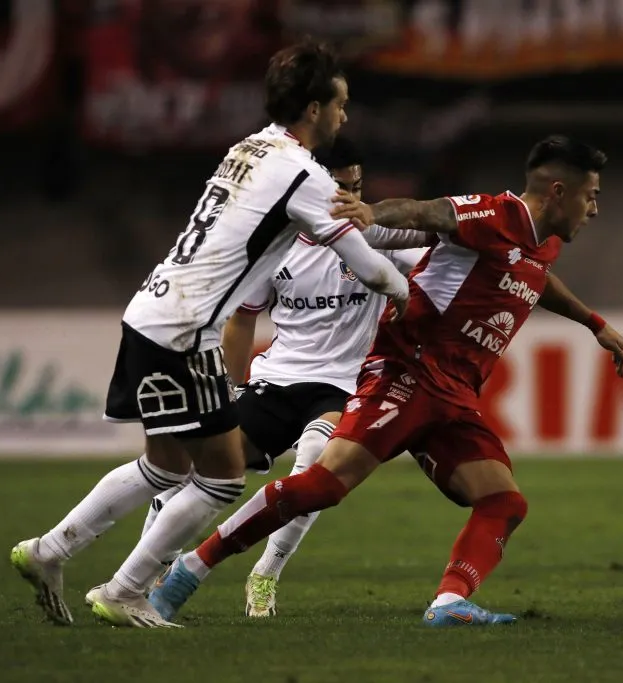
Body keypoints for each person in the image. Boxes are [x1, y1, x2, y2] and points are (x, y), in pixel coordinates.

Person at [148, 134, 623, 626]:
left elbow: (536, 277)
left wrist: (593, 323)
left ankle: (449, 603)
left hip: (454, 395)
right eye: (590, 196)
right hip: (409, 372)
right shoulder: (493, 215)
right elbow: (424, 212)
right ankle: (189, 570)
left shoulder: (543, 244)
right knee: (323, 485)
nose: (594, 209)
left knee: (503, 501)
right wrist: (371, 213)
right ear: (558, 192)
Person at [8, 40, 410, 629]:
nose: (344, 116)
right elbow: (372, 269)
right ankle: (125, 591)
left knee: (164, 468)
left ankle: (49, 551)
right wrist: (406, 297)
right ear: (314, 108)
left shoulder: (247, 148)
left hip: (149, 311)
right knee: (222, 478)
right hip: (187, 332)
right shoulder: (304, 174)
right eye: (340, 104)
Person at [140, 137, 428, 618]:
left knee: (316, 460)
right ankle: (149, 568)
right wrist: (230, 390)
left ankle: (265, 574)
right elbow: (242, 319)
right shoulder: (276, 242)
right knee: (198, 467)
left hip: (343, 384)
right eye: (340, 188)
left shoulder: (378, 238)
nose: (350, 199)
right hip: (277, 378)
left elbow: (442, 252)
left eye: (357, 188)